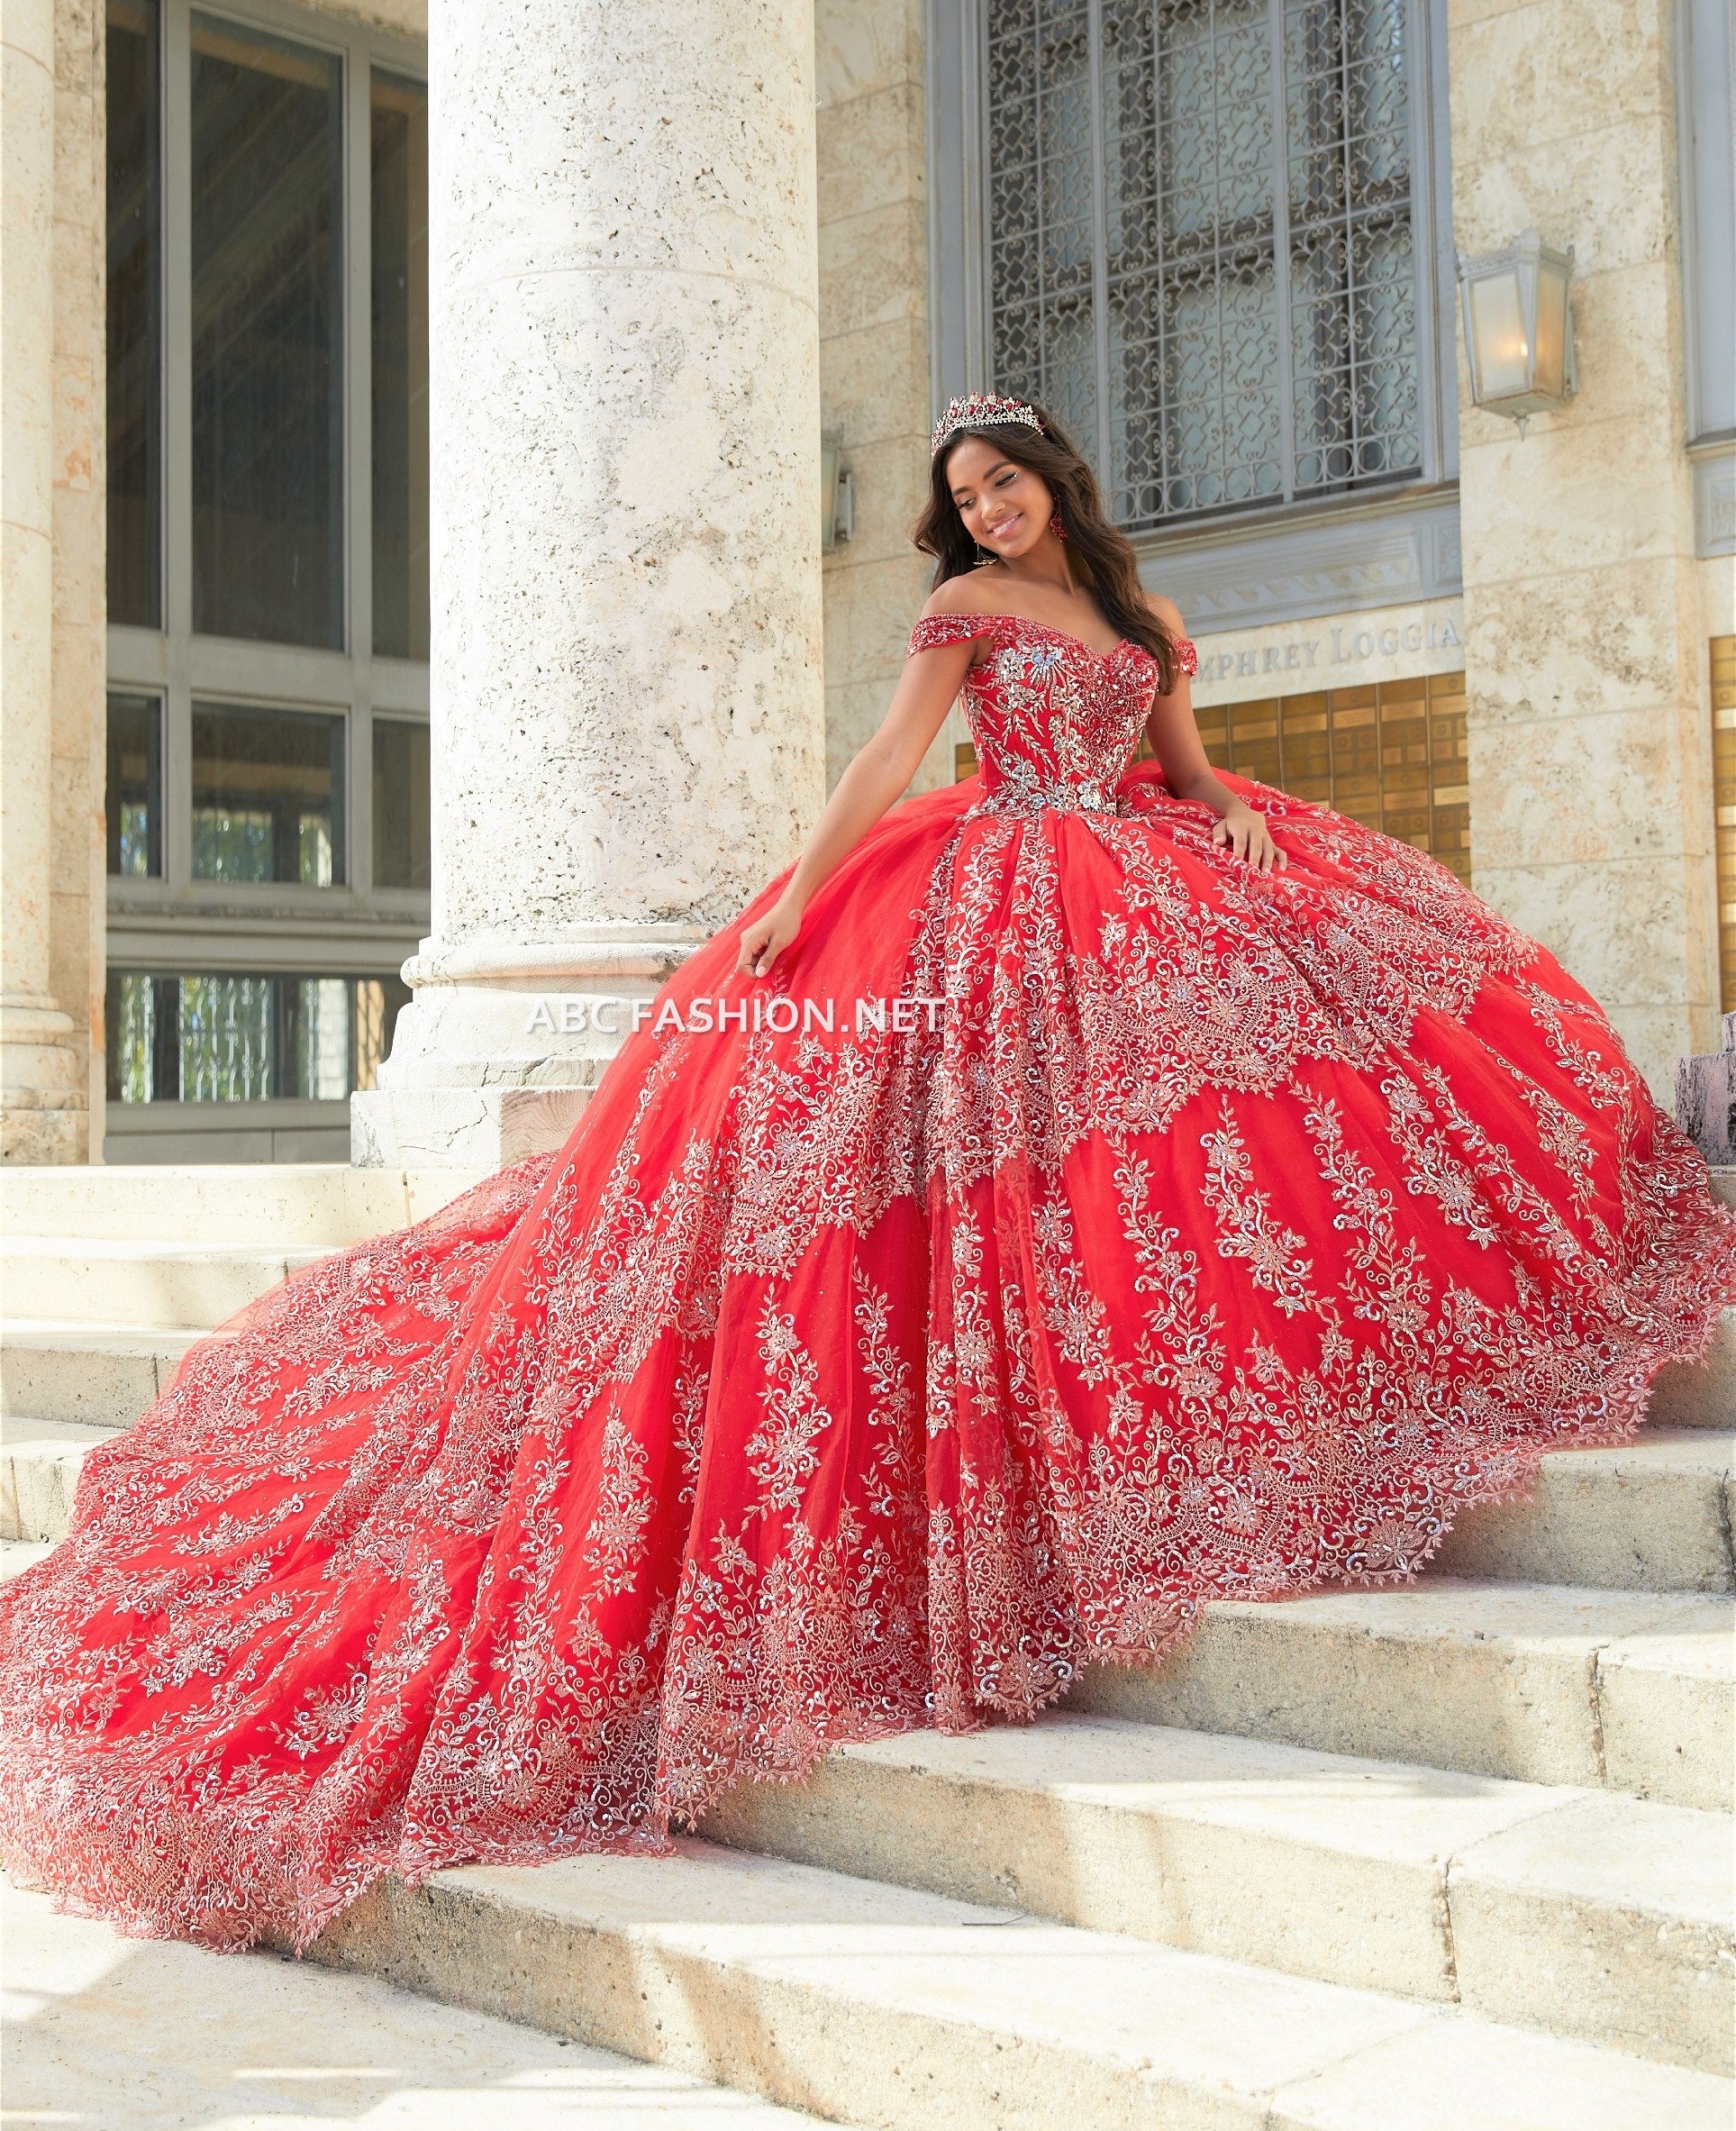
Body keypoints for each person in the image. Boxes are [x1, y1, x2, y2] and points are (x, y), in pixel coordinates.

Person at [3, 396, 1731, 1953]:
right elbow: (891, 762)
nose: (983, 512)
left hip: (1137, 877)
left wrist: (1236, 820)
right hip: (984, 904)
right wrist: (785, 900)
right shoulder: (967, 619)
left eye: (1002, 484)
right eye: (963, 495)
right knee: (962, 1190)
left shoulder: (1141, 619)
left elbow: (1180, 770)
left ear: (1055, 483)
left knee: (1215, 1152)